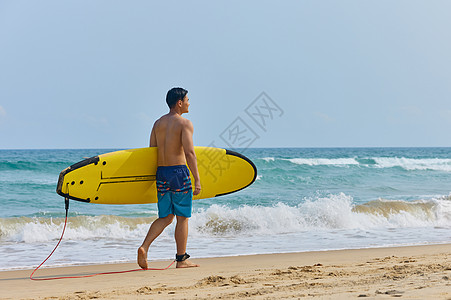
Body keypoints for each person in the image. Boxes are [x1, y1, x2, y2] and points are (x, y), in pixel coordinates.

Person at [137, 87, 201, 269]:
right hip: (179, 173)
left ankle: (144, 247)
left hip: (162, 173)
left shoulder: (157, 124)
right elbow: (189, 152)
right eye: (187, 100)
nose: (189, 103)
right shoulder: (185, 124)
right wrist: (197, 179)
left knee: (166, 217)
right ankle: (181, 260)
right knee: (182, 218)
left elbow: (152, 151)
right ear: (179, 102)